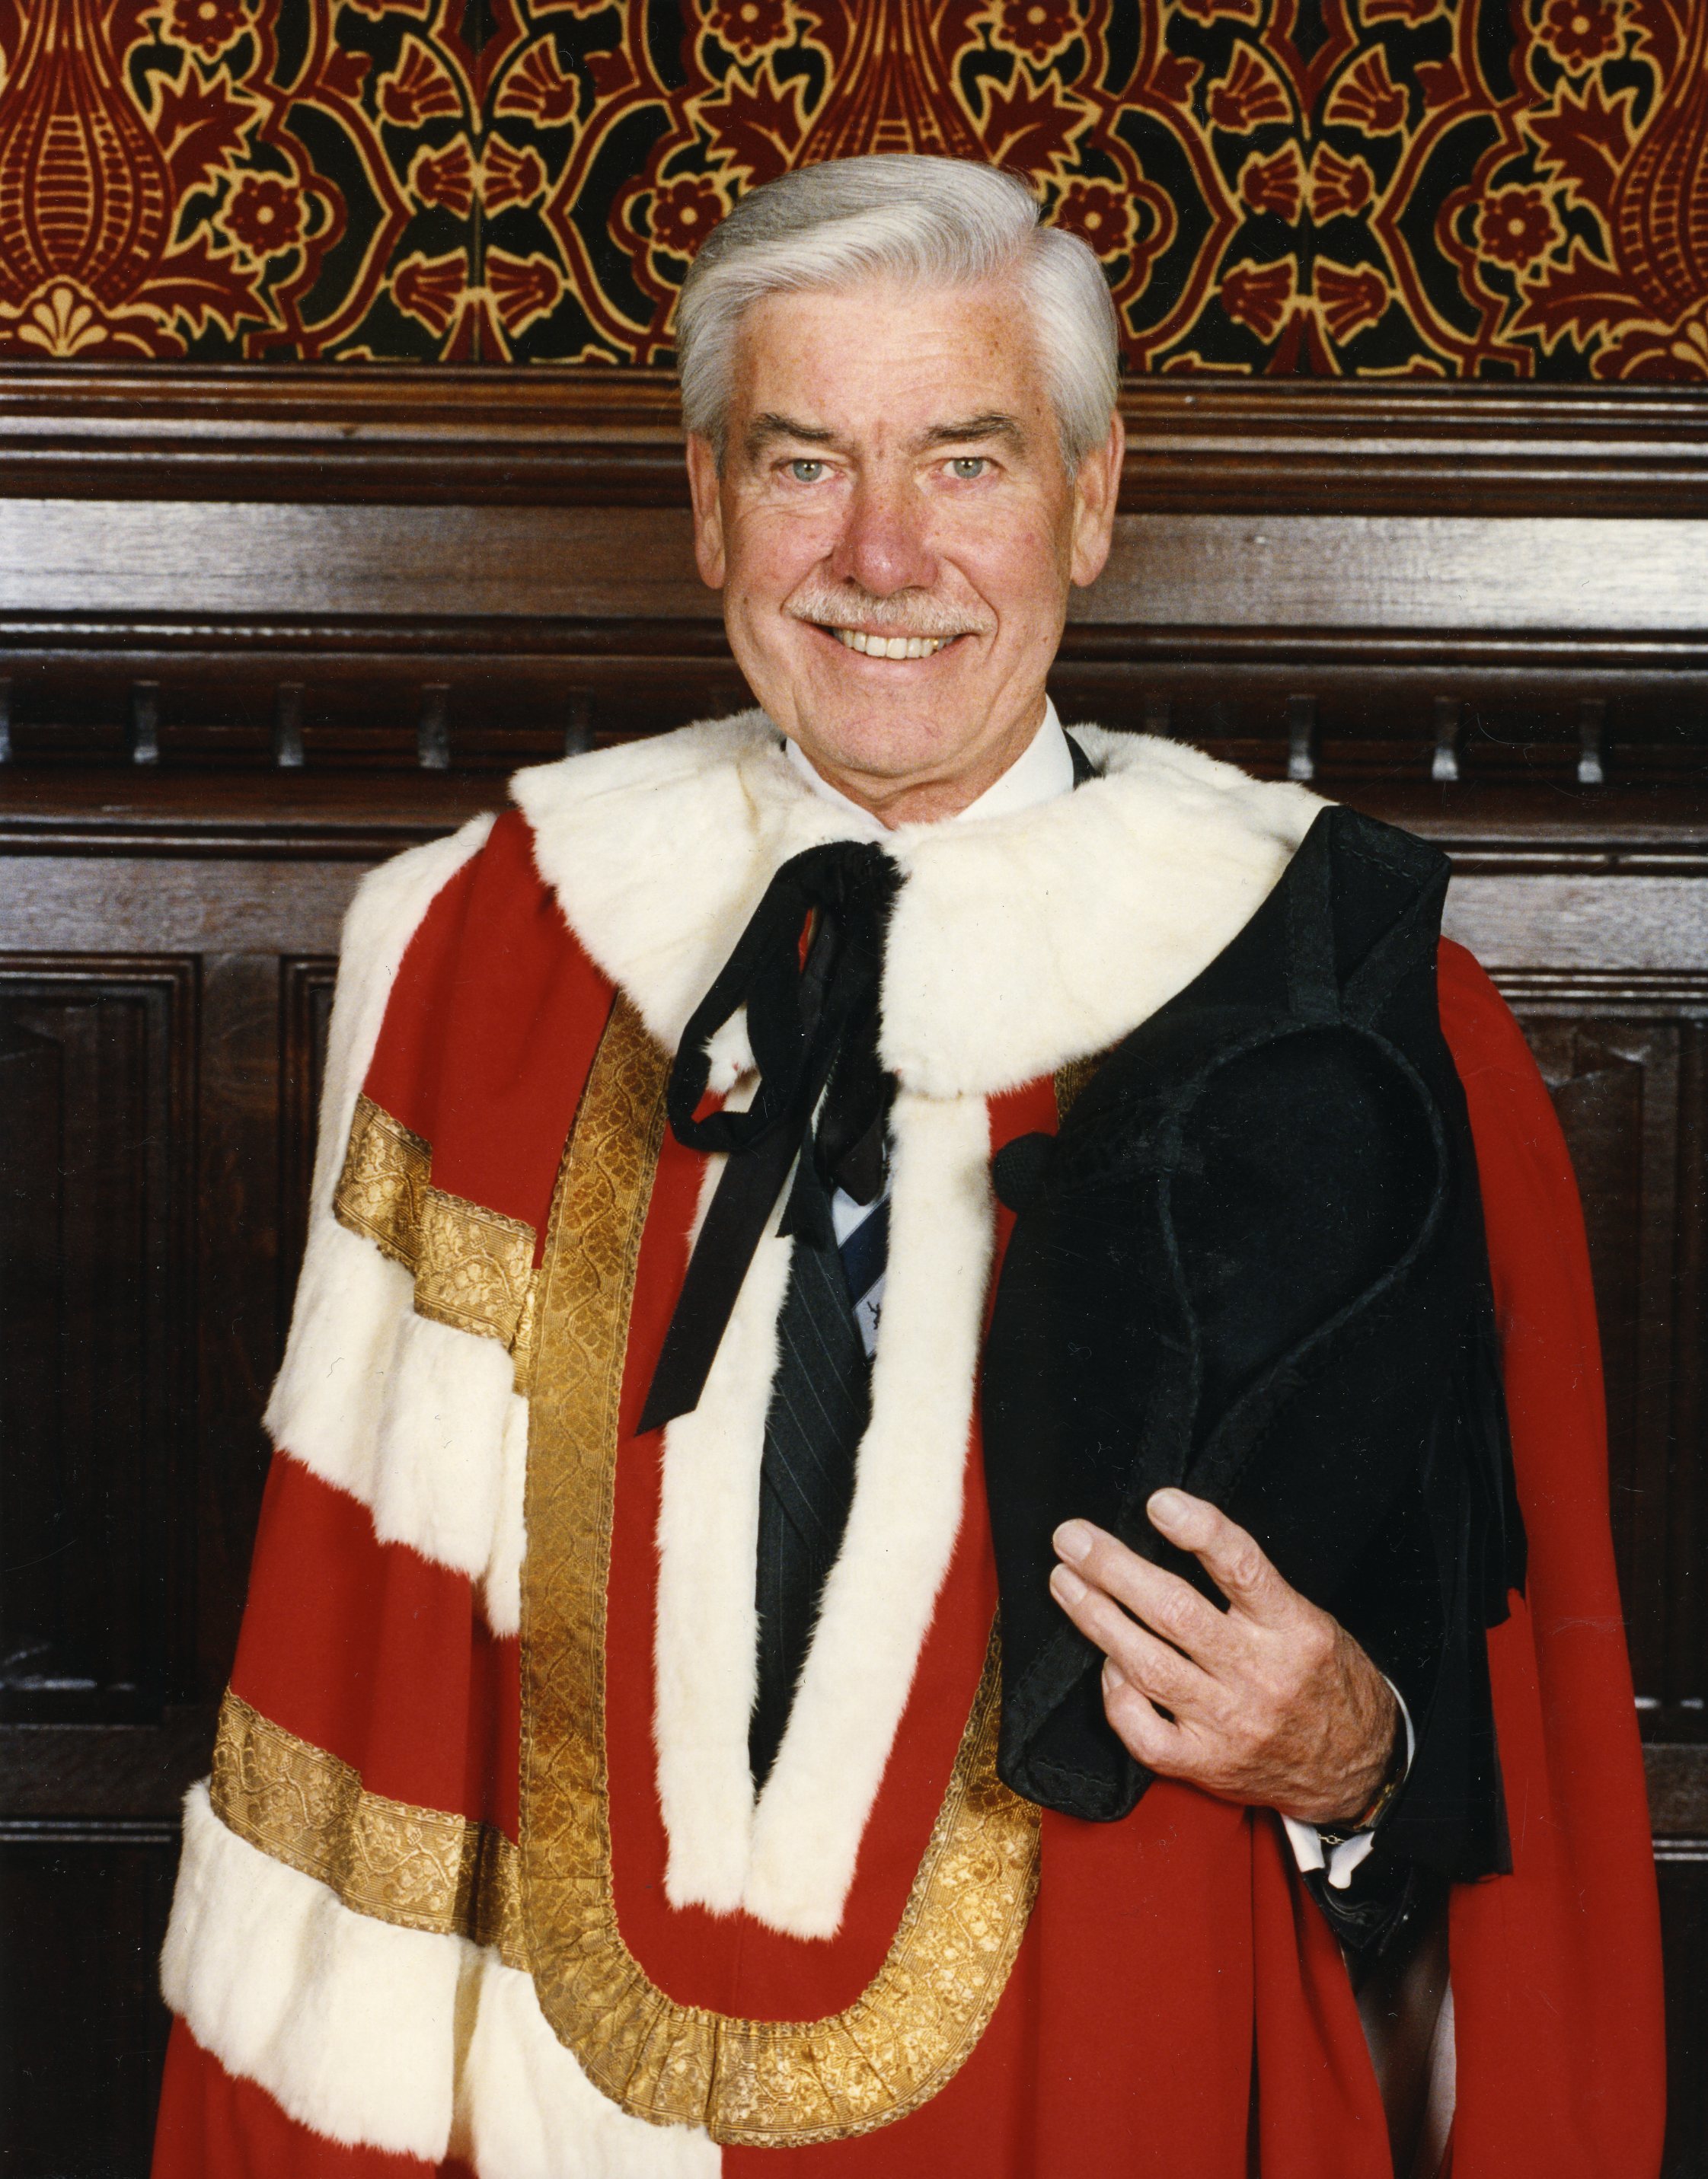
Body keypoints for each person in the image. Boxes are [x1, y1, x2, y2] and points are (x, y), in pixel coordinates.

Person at [152, 156, 1664, 2179]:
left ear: (1089, 496)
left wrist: (1352, 1758)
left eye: (964, 461)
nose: (881, 553)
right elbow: (352, 1681)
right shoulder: (492, 958)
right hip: (562, 2115)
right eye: (802, 466)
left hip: (1118, 2089)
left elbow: (1515, 1749)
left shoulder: (1349, 1004)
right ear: (707, 507)